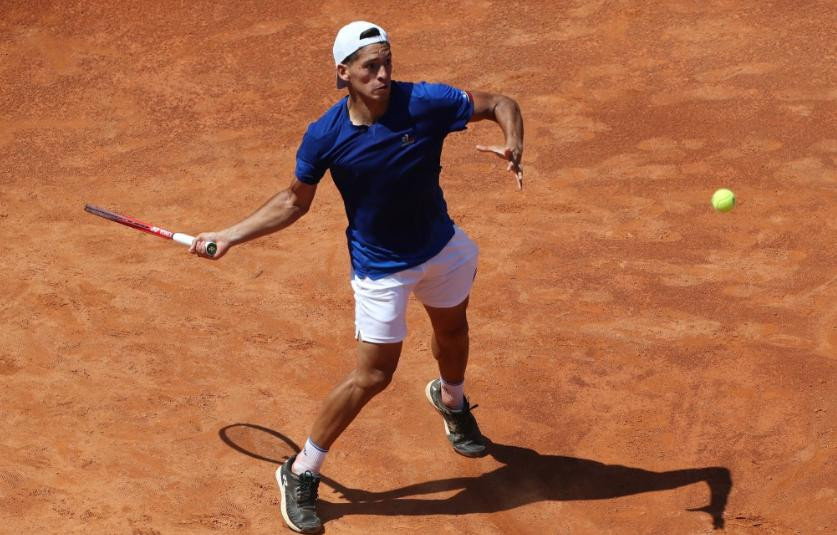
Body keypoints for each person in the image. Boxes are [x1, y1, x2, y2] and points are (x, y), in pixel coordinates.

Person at [190, 21, 524, 534]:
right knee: (374, 374)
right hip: (381, 268)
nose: (384, 74)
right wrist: (231, 234)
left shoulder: (427, 101)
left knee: (453, 331)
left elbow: (500, 102)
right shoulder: (326, 134)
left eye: (388, 62)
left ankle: (452, 400)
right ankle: (301, 469)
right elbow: (293, 202)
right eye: (371, 66)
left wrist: (513, 143)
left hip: (442, 247)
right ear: (343, 73)